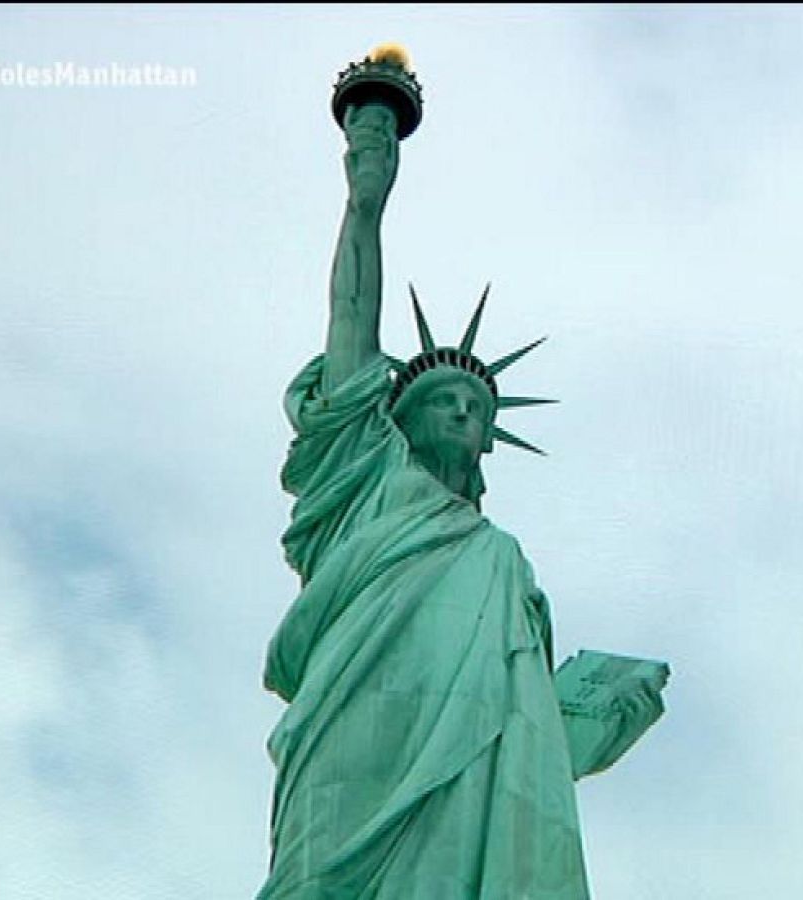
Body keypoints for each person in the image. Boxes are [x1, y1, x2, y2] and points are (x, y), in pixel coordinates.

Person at [256, 99, 659, 899]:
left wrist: (594, 714)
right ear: (395, 419)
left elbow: (524, 716)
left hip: (481, 771)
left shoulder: (501, 560)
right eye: (443, 400)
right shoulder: (363, 481)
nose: (463, 414)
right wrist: (365, 200)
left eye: (475, 410)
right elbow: (350, 315)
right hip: (356, 725)